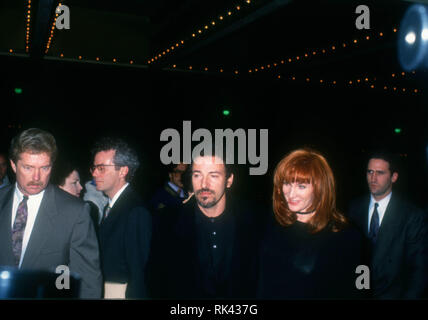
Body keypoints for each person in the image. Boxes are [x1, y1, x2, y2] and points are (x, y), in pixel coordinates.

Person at [0, 128, 102, 298]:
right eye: (28, 167)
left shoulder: (75, 212)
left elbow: (88, 283)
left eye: (45, 168)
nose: (36, 177)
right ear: (13, 165)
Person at [146, 153, 265, 299]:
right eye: (197, 175)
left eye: (213, 176)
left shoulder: (254, 223)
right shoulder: (166, 223)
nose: (204, 184)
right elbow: (156, 282)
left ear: (229, 180)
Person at [258, 149, 364, 299]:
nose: (291, 193)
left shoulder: (346, 236)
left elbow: (355, 291)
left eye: (301, 186)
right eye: (287, 183)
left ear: (320, 189)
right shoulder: (270, 224)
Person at [348, 151, 428, 299]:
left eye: (380, 173)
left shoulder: (411, 216)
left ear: (394, 177)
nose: (373, 178)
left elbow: (419, 271)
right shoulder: (353, 209)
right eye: (370, 172)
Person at [91, 137, 152, 299]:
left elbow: (138, 270)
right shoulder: (109, 207)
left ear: (123, 171)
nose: (94, 173)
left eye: (101, 168)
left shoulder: (135, 210)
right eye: (94, 168)